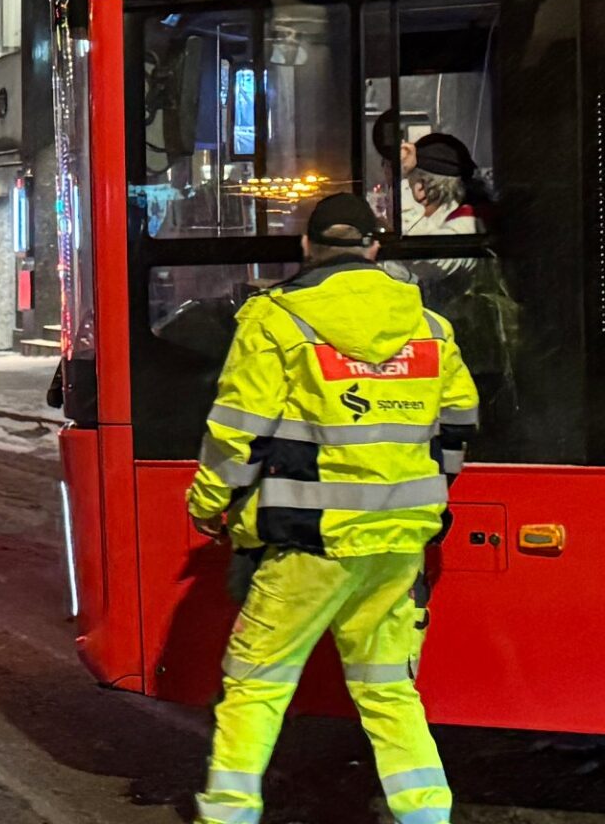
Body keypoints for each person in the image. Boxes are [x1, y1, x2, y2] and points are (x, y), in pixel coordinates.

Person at [187, 193, 477, 824]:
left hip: (308, 545)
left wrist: (208, 503)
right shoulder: (430, 325)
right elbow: (456, 426)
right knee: (389, 688)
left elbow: (240, 432)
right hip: (400, 543)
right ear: (375, 248)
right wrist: (424, 494)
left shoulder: (276, 320)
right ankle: (426, 814)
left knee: (256, 684)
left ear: (306, 248)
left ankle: (228, 813)